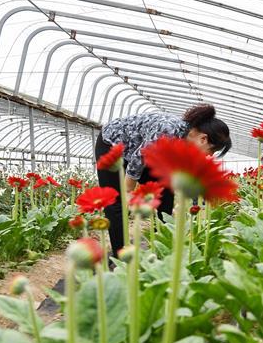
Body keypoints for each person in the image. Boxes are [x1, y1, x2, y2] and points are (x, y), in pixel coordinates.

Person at [96, 104, 232, 255]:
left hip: (139, 153)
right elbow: (141, 156)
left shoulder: (187, 144)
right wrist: (128, 189)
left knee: (165, 191)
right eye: (212, 150)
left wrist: (194, 205)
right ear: (203, 139)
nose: (210, 155)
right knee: (115, 200)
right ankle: (122, 256)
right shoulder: (169, 129)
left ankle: (162, 245)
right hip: (112, 144)